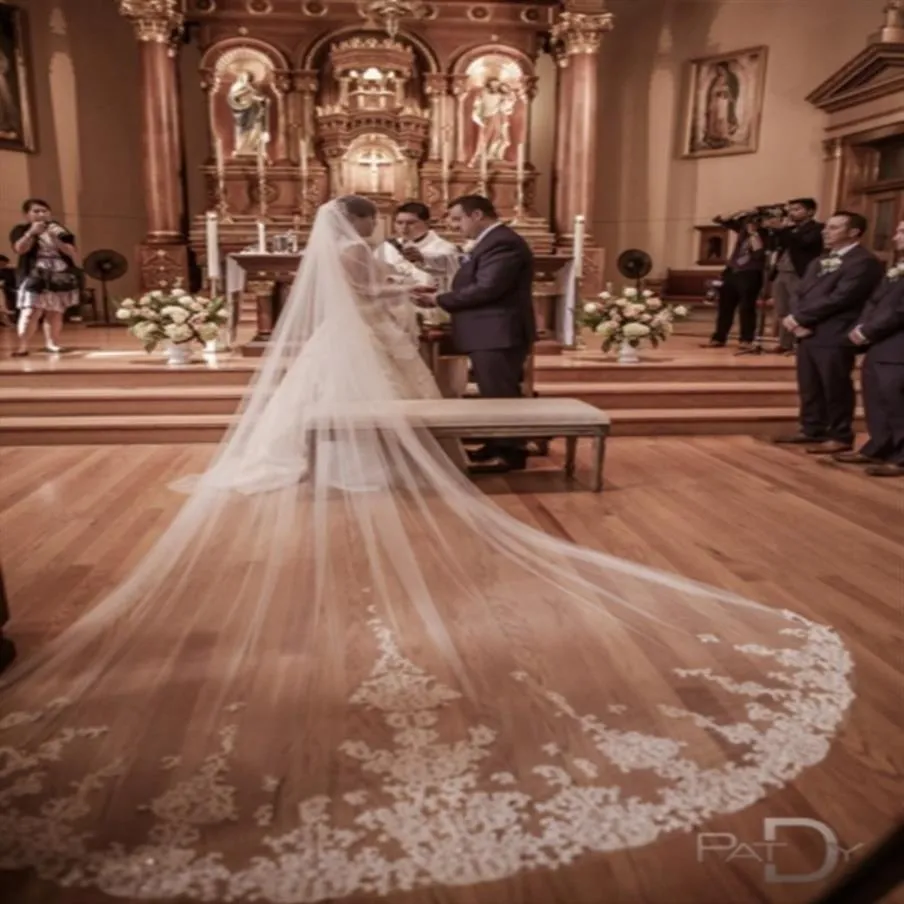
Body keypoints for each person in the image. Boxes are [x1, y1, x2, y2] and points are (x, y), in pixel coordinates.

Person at [0, 198, 856, 901]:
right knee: (389, 401)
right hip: (376, 343)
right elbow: (391, 292)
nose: (382, 234)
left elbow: (388, 291)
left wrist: (408, 296)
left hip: (353, 346)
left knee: (355, 404)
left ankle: (341, 461)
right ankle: (380, 462)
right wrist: (409, 295)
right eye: (380, 224)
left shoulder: (336, 259)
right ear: (369, 224)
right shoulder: (368, 257)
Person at [412, 194, 535, 472]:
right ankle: (495, 444)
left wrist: (440, 300)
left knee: (501, 394)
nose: (455, 226)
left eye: (458, 219)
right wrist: (442, 294)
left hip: (498, 331)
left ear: (477, 215)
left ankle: (510, 453)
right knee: (492, 393)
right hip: (489, 331)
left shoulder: (503, 242)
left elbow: (488, 288)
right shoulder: (491, 241)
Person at [775, 211, 884, 454]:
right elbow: (799, 291)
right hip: (807, 332)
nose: (825, 231)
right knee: (810, 384)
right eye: (827, 227)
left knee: (834, 385)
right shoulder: (820, 260)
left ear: (854, 232)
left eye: (834, 228)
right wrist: (794, 319)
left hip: (835, 332)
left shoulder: (864, 262)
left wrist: (802, 318)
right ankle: (812, 428)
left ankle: (840, 434)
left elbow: (842, 298)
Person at [835, 219, 904, 477]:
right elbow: (874, 301)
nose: (895, 237)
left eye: (902, 232)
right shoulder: (896, 268)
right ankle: (879, 445)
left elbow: (900, 311)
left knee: (897, 404)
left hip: (898, 346)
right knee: (877, 400)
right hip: (880, 343)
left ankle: (901, 456)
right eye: (897, 230)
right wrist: (862, 326)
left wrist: (868, 330)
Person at [9, 198, 80, 356]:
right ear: (27, 215)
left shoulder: (60, 230)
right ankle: (23, 346)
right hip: (34, 273)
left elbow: (72, 252)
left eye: (44, 211)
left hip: (59, 273)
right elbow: (19, 249)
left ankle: (52, 343)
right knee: (30, 311)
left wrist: (56, 239)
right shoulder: (21, 230)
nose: (41, 214)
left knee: (55, 311)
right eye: (36, 211)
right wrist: (31, 233)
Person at [374, 201, 460, 323]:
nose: (404, 228)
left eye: (411, 223)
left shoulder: (445, 248)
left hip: (429, 311)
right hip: (391, 310)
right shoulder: (386, 247)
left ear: (427, 223)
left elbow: (449, 281)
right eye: (399, 223)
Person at [701, 210, 767, 353]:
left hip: (750, 273)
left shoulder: (765, 233)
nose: (748, 224)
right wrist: (741, 212)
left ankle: (746, 339)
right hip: (732, 271)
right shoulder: (742, 230)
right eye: (747, 221)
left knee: (746, 308)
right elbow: (720, 219)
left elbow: (758, 253)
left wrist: (754, 233)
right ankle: (719, 337)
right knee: (725, 306)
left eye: (752, 221)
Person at [768, 198, 824, 354]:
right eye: (791, 209)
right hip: (781, 271)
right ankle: (785, 343)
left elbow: (804, 243)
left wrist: (783, 230)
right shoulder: (789, 230)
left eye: (797, 209)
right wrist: (776, 231)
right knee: (782, 310)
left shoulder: (817, 228)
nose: (792, 212)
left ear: (810, 212)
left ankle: (800, 344)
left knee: (798, 309)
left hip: (799, 273)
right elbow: (775, 246)